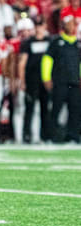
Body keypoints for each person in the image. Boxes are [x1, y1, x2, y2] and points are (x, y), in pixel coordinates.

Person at [41, 15, 80, 143]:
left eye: (72, 24)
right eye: (68, 23)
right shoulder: (56, 42)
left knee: (75, 110)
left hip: (74, 83)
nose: (70, 26)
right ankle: (52, 136)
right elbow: (47, 59)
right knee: (55, 110)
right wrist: (46, 77)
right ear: (63, 26)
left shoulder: (78, 44)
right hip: (60, 82)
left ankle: (72, 135)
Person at [18, 18, 50, 143]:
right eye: (37, 25)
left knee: (45, 108)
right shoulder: (28, 42)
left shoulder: (50, 41)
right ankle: (27, 135)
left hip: (45, 79)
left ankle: (45, 135)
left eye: (41, 24)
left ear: (45, 25)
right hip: (32, 79)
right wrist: (22, 80)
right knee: (29, 108)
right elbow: (22, 63)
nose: (39, 27)